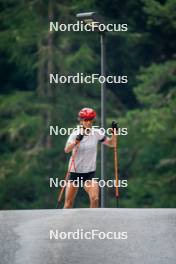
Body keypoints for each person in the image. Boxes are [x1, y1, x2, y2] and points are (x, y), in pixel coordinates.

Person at [64, 107, 117, 208]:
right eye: (86, 120)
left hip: (89, 173)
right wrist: (76, 142)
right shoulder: (75, 134)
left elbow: (112, 144)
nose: (88, 122)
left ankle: (92, 221)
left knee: (95, 198)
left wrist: (114, 133)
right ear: (81, 120)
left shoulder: (96, 133)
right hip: (75, 172)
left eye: (91, 120)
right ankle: (65, 223)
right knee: (68, 204)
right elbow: (66, 150)